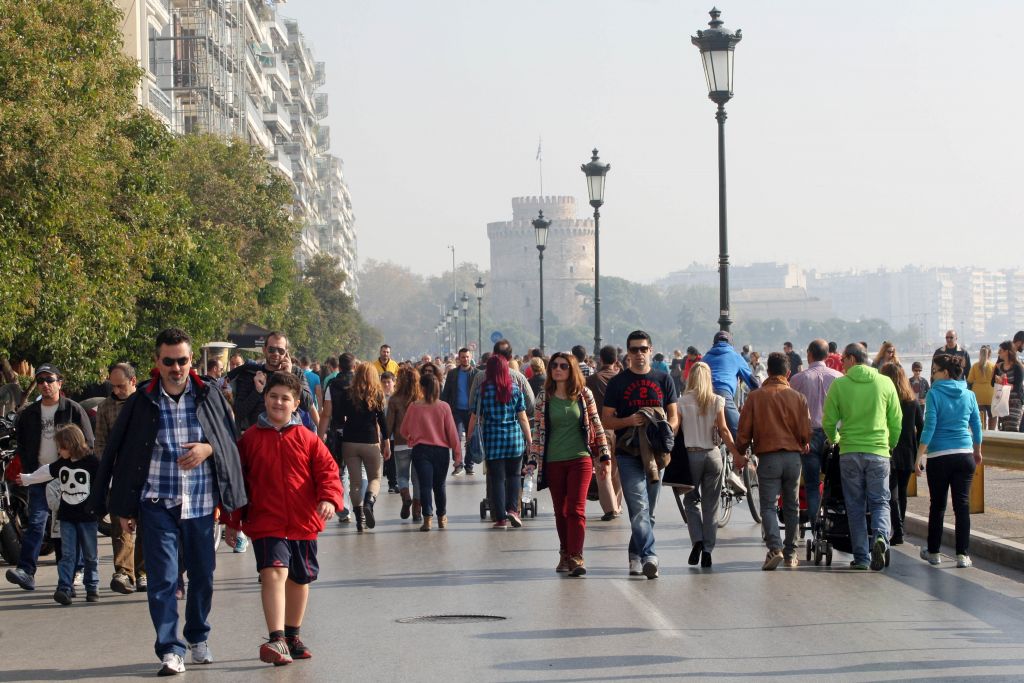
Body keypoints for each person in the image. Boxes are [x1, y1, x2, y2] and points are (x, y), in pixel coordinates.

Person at [90, 328, 246, 675]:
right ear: (156, 362)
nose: (176, 368)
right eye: (169, 361)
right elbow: (123, 455)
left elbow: (230, 442)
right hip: (157, 501)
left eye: (183, 360)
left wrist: (208, 449)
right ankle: (170, 648)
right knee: (162, 577)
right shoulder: (142, 400)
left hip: (201, 502)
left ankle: (197, 636)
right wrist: (123, 510)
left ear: (192, 361)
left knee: (203, 576)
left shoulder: (208, 394)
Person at [224, 371, 343, 665]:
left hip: (303, 521)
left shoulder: (308, 439)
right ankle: (276, 639)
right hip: (266, 520)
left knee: (300, 579)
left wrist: (329, 498)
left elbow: (328, 472)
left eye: (285, 398)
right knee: (273, 573)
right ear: (265, 399)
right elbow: (238, 484)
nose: (278, 402)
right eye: (273, 396)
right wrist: (232, 521)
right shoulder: (249, 440)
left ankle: (292, 635)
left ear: (296, 403)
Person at [5, 364, 94, 592]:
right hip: (41, 476)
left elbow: (88, 444)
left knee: (65, 528)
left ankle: (73, 573)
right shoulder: (29, 413)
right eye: (40, 380)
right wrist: (30, 470)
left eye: (49, 379)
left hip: (68, 478)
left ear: (59, 383)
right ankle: (26, 571)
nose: (45, 384)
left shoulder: (72, 409)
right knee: (36, 524)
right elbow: (22, 444)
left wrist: (77, 467)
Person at [601, 330, 679, 579]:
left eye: (643, 349)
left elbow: (674, 415)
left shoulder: (663, 379)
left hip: (656, 454)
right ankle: (650, 556)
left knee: (648, 511)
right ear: (627, 353)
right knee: (639, 508)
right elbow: (607, 419)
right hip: (627, 453)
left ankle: (635, 556)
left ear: (650, 350)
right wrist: (629, 420)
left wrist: (666, 429)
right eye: (633, 350)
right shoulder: (617, 383)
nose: (638, 354)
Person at [822, 343, 901, 571]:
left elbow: (828, 421)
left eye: (844, 359)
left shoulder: (840, 385)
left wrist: (836, 438)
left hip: (849, 452)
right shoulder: (884, 383)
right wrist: (890, 445)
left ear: (852, 359)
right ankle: (880, 538)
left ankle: (861, 557)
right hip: (878, 451)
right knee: (879, 502)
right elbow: (896, 420)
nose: (841, 364)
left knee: (855, 506)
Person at [530, 352, 609, 576]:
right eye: (554, 365)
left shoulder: (584, 395)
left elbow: (596, 423)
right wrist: (532, 461)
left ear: (571, 369)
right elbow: (538, 433)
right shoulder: (544, 397)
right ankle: (564, 551)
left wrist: (604, 455)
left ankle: (576, 556)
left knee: (576, 509)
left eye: (563, 366)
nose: (557, 369)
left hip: (580, 459)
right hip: (554, 461)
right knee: (560, 511)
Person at [737, 352, 811, 570]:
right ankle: (791, 553)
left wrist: (740, 451)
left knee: (768, 506)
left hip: (768, 457)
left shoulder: (755, 397)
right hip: (793, 458)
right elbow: (806, 432)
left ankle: (774, 548)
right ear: (788, 373)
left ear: (767, 371)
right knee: (792, 506)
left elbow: (744, 432)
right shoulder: (798, 398)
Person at [17, 424, 100, 605]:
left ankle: (92, 586)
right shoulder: (61, 464)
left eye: (61, 447)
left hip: (88, 518)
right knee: (67, 554)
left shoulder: (92, 463)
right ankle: (64, 587)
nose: (58, 450)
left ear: (71, 445)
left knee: (90, 554)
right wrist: (27, 479)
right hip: (67, 517)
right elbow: (45, 472)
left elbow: (105, 482)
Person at [916, 354, 982, 569]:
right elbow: (977, 426)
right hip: (964, 454)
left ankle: (934, 552)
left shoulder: (934, 394)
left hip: (939, 456)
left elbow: (930, 425)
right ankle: (962, 554)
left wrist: (919, 456)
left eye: (934, 370)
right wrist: (977, 451)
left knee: (938, 506)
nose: (932, 374)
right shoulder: (969, 394)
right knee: (962, 506)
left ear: (945, 372)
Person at [678, 362, 741, 569]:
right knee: (711, 506)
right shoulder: (717, 401)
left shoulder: (682, 402)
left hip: (691, 456)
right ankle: (708, 550)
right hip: (713, 455)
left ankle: (697, 540)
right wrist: (736, 453)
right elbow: (724, 430)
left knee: (690, 500)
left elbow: (675, 431)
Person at [318, 363, 390, 532]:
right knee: (375, 478)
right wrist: (386, 441)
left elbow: (338, 416)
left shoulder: (348, 393)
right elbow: (382, 421)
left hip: (349, 442)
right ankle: (369, 502)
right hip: (370, 441)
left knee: (355, 482)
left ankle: (359, 518)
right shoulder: (377, 394)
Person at [94, 363, 145, 595]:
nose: (117, 390)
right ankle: (124, 572)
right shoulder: (105, 407)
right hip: (119, 474)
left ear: (133, 381)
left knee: (146, 524)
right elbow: (101, 442)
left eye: (121, 386)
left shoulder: (146, 403)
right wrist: (109, 467)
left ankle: (144, 573)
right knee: (120, 525)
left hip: (145, 473)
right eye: (113, 386)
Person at [467, 355, 531, 529]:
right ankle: (513, 510)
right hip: (514, 439)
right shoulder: (515, 389)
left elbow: (475, 415)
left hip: (492, 439)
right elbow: (523, 417)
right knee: (514, 476)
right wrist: (530, 440)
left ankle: (501, 518)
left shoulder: (483, 390)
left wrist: (469, 435)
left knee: (497, 479)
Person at [789, 339, 843, 521]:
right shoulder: (838, 377)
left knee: (811, 484)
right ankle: (830, 520)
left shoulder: (797, 379)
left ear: (809, 354)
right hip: (832, 436)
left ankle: (815, 524)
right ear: (827, 355)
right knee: (832, 482)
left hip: (808, 435)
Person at [401, 372, 462, 531]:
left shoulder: (414, 407)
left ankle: (427, 518)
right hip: (441, 452)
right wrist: (457, 455)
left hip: (421, 451)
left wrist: (411, 438)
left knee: (425, 486)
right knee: (439, 486)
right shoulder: (444, 407)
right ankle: (442, 517)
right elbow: (452, 433)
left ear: (421, 387)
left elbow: (403, 430)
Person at [228, 332, 312, 433]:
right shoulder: (251, 374)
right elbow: (240, 412)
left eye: (280, 351)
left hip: (288, 435)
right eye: (271, 349)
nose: (276, 354)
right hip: (258, 436)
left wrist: (289, 377)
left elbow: (307, 405)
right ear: (264, 350)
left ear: (286, 353)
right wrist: (257, 391)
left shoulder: (296, 373)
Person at [878, 362, 922, 546]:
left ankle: (898, 530)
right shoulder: (912, 401)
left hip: (889, 448)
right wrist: (918, 451)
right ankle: (899, 527)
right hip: (908, 451)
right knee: (901, 492)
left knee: (890, 493)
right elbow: (921, 426)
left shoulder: (885, 399)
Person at [586, 345, 624, 520]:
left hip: (601, 429)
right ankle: (617, 503)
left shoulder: (592, 380)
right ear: (616, 360)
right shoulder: (622, 378)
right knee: (617, 469)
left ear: (600, 359)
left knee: (603, 468)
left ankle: (610, 508)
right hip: (622, 428)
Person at [704, 331, 758, 440]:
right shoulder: (735, 357)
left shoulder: (705, 358)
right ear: (730, 344)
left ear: (714, 343)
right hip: (723, 394)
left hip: (703, 396)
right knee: (741, 434)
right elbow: (752, 381)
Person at [387, 366, 422, 522]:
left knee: (401, 476)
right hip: (419, 443)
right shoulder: (421, 398)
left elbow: (389, 424)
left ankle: (406, 496)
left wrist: (385, 440)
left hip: (401, 443)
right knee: (417, 479)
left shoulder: (394, 399)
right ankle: (417, 510)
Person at [441, 348, 479, 475]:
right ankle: (458, 464)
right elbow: (446, 393)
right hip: (456, 411)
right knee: (456, 438)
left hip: (471, 412)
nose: (465, 359)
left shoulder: (476, 374)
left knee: (470, 439)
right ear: (459, 359)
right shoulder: (452, 374)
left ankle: (469, 465)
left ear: (470, 357)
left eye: (467, 357)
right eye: (463, 357)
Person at [991, 341, 1023, 432]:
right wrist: (997, 381)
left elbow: (1017, 387)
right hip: (1002, 402)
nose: (998, 353)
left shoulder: (1018, 367)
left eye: (1000, 350)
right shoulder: (999, 367)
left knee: (1012, 428)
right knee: (1003, 429)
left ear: (1007, 352)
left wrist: (1003, 382)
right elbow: (992, 383)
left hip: (1015, 403)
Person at [967, 345, 996, 430]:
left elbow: (970, 380)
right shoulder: (993, 366)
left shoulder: (975, 366)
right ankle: (992, 433)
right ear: (989, 354)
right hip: (990, 395)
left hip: (978, 396)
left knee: (980, 419)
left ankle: (981, 436)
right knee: (993, 416)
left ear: (980, 354)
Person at [380, 371, 399, 493]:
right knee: (388, 458)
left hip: (395, 434)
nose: (387, 385)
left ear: (394, 382)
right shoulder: (379, 397)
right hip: (383, 434)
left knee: (394, 459)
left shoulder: (397, 398)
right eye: (384, 382)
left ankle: (394, 482)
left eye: (389, 382)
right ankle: (392, 481)